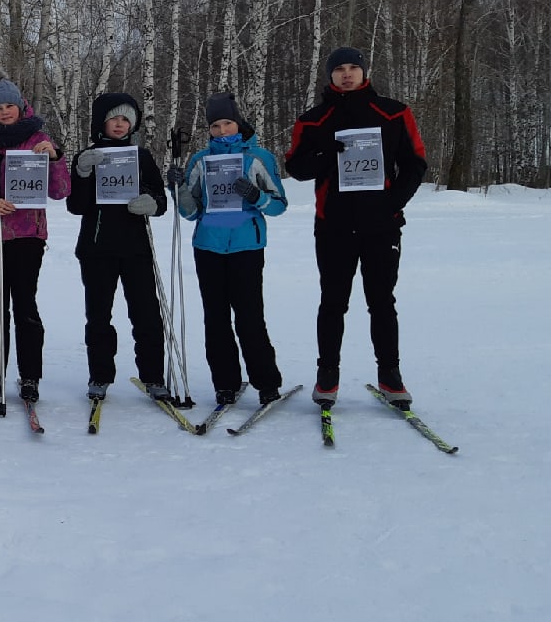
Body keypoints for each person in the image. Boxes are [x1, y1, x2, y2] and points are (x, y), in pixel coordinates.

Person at [285, 46, 428, 408]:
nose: (346, 74)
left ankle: (390, 376)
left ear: (364, 72)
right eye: (339, 69)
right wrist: (325, 154)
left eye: (353, 67)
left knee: (382, 301)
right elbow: (296, 167)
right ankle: (327, 375)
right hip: (333, 226)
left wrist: (393, 202)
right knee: (333, 302)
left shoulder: (393, 112)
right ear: (330, 75)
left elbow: (415, 162)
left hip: (381, 226)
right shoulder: (313, 120)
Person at [0, 67, 70, 412]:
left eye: (9, 106)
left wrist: (56, 158)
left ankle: (30, 375)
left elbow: (61, 191)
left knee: (25, 305)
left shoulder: (38, 141)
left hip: (28, 236)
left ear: (21, 105)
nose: (4, 112)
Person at [170, 93, 286, 407]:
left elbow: (279, 205)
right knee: (215, 318)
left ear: (238, 123)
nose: (222, 131)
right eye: (215, 126)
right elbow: (191, 212)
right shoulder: (201, 160)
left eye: (227, 123)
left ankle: (266, 382)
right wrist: (178, 187)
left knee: (249, 317)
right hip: (208, 246)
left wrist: (256, 196)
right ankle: (225, 383)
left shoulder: (257, 157)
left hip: (247, 246)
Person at [66, 92, 169, 400]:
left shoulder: (142, 156)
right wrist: (83, 172)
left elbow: (160, 198)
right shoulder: (87, 156)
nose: (120, 124)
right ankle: (99, 376)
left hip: (136, 248)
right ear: (101, 122)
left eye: (126, 119)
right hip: (96, 249)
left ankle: (153, 376)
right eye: (114, 118)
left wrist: (152, 203)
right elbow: (76, 206)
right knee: (99, 316)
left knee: (147, 314)